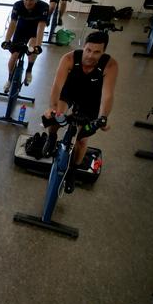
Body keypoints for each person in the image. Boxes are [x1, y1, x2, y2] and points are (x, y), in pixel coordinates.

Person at [43, 31, 117, 193]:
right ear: (83, 46)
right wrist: (52, 107)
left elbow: (108, 95)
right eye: (88, 50)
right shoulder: (69, 58)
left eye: (97, 52)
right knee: (56, 116)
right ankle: (52, 137)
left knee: (83, 139)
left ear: (103, 52)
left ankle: (73, 171)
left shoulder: (110, 65)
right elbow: (57, 85)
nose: (91, 55)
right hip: (71, 90)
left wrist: (103, 117)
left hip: (92, 97)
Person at [1, 0, 48, 92]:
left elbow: (41, 26)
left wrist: (38, 46)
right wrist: (7, 40)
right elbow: (13, 23)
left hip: (34, 32)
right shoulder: (18, 5)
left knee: (32, 49)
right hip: (21, 30)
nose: (27, 3)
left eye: (31, 2)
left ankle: (29, 70)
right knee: (14, 56)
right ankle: (9, 79)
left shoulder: (43, 6)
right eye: (25, 0)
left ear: (36, 0)